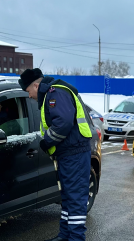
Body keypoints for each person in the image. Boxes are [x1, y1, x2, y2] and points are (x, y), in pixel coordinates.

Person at [19, 68, 92, 241]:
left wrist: (47, 141)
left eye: (28, 91)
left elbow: (63, 123)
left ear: (36, 86)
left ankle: (75, 238)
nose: (29, 96)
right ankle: (65, 235)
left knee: (74, 198)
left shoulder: (56, 93)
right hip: (68, 153)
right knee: (67, 197)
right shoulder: (52, 93)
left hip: (75, 153)